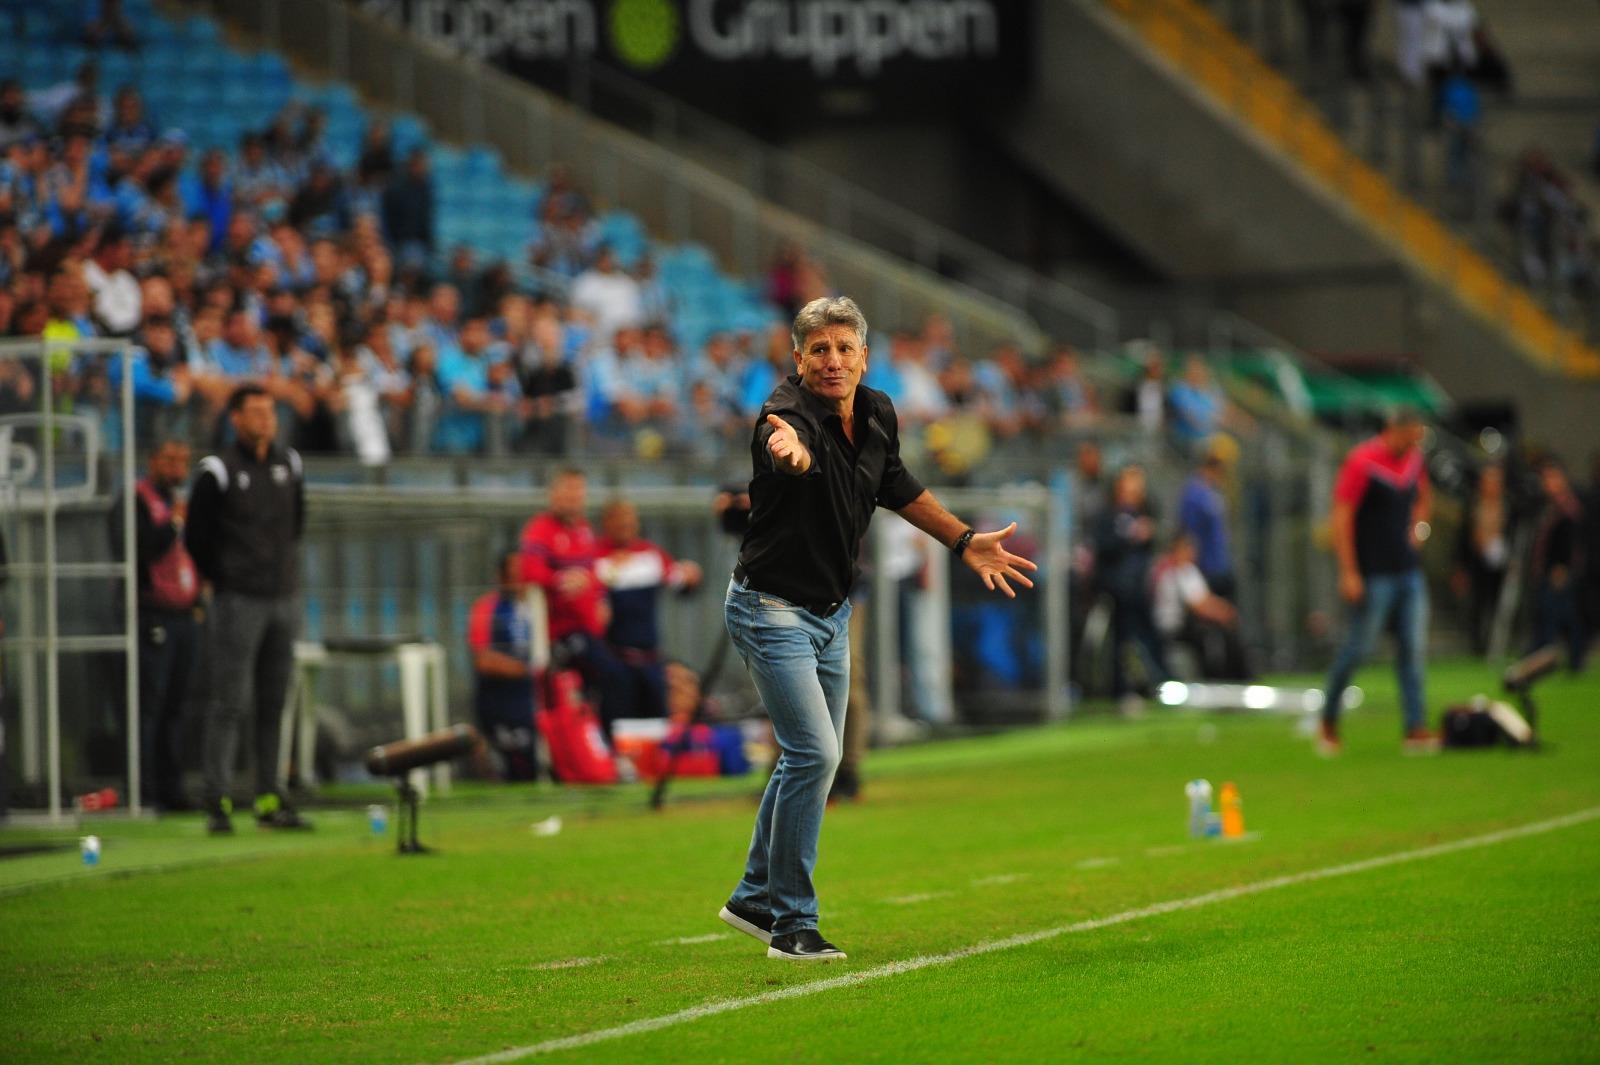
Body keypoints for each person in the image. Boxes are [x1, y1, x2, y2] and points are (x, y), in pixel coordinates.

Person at [717, 296, 1036, 962]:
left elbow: (896, 483)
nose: (832, 360)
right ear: (798, 359)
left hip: (830, 611)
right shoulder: (784, 415)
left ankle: (753, 893)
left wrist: (965, 540)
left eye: (844, 348)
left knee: (810, 755)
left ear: (864, 356)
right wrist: (791, 455)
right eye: (819, 350)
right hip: (768, 606)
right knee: (816, 755)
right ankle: (791, 923)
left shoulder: (877, 411)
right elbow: (786, 450)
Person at [185, 384, 311, 833]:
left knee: (274, 703)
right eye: (255, 412)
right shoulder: (218, 470)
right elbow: (196, 538)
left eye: (269, 412)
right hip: (238, 598)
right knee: (229, 701)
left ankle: (268, 795)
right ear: (235, 418)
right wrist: (224, 576)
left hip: (283, 596)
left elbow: (297, 522)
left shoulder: (288, 463)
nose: (265, 420)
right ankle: (216, 798)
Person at [1320, 409, 1436, 755]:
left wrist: (1419, 530)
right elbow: (1341, 517)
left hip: (1407, 571)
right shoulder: (1362, 462)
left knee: (1413, 650)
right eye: (1409, 436)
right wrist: (1349, 571)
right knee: (1358, 648)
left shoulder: (1414, 462)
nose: (1413, 444)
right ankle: (1328, 720)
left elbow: (1424, 502)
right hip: (1373, 574)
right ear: (1392, 430)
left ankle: (1415, 728)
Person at [108, 438, 202, 811]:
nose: (177, 468)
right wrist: (176, 522)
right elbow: (138, 549)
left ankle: (172, 787)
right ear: (152, 460)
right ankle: (143, 789)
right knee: (150, 705)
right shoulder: (135, 500)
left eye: (183, 460)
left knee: (178, 706)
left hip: (184, 616)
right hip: (150, 615)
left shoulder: (175, 503)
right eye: (169, 459)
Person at [518, 469, 633, 739]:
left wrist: (601, 599)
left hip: (589, 629)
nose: (573, 498)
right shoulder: (540, 531)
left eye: (578, 492)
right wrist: (560, 580)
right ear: (553, 494)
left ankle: (599, 750)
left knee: (603, 683)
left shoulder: (583, 530)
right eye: (567, 491)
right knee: (610, 676)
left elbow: (593, 572)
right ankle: (603, 747)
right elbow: (531, 573)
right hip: (561, 631)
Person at [594, 499, 702, 720]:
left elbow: (682, 581)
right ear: (606, 523)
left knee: (655, 723)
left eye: (629, 519)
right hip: (614, 660)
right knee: (619, 724)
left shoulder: (650, 555)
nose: (625, 524)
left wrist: (693, 575)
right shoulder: (595, 558)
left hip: (650, 659)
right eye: (618, 519)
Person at [1094, 464, 1170, 713]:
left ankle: (1158, 684)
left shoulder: (1143, 513)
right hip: (1119, 589)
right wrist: (1130, 537)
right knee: (1122, 642)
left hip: (1142, 587)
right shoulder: (1108, 515)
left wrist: (1149, 533)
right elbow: (1103, 546)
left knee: (1149, 637)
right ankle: (1123, 691)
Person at [468, 553, 541, 781]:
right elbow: (483, 660)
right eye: (513, 572)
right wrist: (526, 669)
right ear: (501, 576)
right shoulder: (487, 607)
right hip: (500, 698)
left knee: (531, 762)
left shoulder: (539, 606)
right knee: (511, 763)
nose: (520, 578)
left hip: (533, 699)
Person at [1152, 532, 1251, 681]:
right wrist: (1223, 614)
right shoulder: (1173, 571)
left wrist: (1225, 610)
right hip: (1174, 625)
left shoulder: (1190, 570)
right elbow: (1197, 606)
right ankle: (1212, 677)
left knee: (1226, 631)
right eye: (1188, 547)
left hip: (1189, 622)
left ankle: (1237, 676)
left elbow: (1205, 598)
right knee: (1206, 633)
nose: (1192, 551)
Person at [1528, 458, 1587, 671]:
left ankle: (1571, 659)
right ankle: (1558, 658)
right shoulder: (1549, 506)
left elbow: (1571, 541)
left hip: (1559, 572)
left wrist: (1562, 567)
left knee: (1562, 618)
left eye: (1551, 478)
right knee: (1556, 617)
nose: (1546, 483)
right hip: (1549, 570)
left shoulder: (1567, 507)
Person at [1452, 462, 1510, 656]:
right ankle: (1478, 645)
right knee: (1478, 603)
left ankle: (1496, 643)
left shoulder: (1508, 506)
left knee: (1497, 604)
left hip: (1500, 564)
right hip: (1477, 563)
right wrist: (1460, 567)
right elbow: (1461, 537)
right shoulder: (1473, 505)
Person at [1178, 453, 1236, 601]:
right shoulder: (1194, 494)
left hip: (1220, 563)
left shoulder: (1214, 492)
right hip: (1205, 565)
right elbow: (1189, 531)